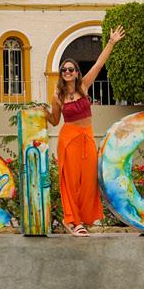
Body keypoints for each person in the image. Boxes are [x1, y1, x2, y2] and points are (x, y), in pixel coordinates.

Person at [48, 26, 125, 236]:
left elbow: (99, 64)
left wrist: (111, 42)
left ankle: (82, 218)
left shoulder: (84, 86)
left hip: (86, 138)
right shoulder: (57, 97)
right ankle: (73, 221)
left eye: (71, 69)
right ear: (61, 74)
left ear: (76, 72)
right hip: (69, 140)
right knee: (71, 182)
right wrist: (42, 112)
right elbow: (54, 121)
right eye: (64, 70)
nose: (67, 72)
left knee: (89, 181)